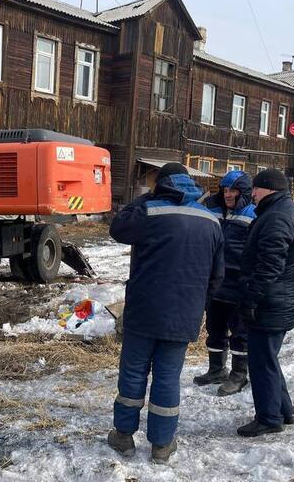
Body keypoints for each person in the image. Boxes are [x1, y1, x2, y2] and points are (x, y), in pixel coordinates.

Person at [107, 162, 224, 464]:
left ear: (161, 185)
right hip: (184, 315)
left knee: (133, 373)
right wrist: (196, 304)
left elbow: (117, 227)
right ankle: (161, 445)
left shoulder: (150, 212)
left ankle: (123, 436)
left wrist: (145, 198)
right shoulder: (211, 221)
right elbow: (217, 276)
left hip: (144, 311)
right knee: (168, 377)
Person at [236, 168, 294, 437]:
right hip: (278, 301)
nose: (252, 193)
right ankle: (284, 411)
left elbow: (269, 265)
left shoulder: (276, 217)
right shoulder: (281, 211)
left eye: (256, 188)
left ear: (270, 189)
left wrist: (251, 298)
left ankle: (268, 418)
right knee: (268, 359)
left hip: (270, 303)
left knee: (261, 362)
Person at [193, 170, 256, 396]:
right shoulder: (213, 208)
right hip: (215, 280)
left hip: (239, 283)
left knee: (240, 332)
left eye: (233, 191)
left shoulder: (253, 213)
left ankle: (239, 375)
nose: (228, 195)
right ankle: (216, 369)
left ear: (244, 192)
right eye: (225, 190)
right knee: (214, 328)